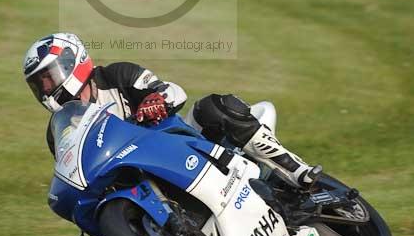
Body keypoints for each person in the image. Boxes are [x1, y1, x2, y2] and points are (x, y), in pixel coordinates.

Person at [23, 32, 320, 189]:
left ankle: (295, 170)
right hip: (141, 181)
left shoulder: (117, 75)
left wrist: (157, 100)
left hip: (182, 144)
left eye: (48, 77)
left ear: (72, 62)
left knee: (215, 107)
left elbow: (173, 91)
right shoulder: (59, 130)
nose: (46, 88)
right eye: (38, 84)